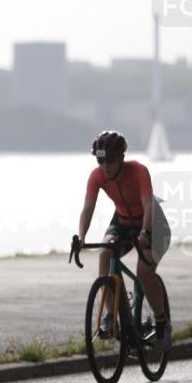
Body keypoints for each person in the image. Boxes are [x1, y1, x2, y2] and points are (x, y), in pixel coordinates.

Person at [77, 130, 170, 350]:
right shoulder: (97, 176)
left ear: (121, 158)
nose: (105, 166)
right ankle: (111, 316)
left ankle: (162, 323)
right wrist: (81, 237)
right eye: (100, 161)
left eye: (110, 161)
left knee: (144, 272)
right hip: (123, 221)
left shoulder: (139, 171)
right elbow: (88, 209)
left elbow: (148, 205)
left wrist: (145, 233)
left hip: (152, 223)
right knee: (105, 253)